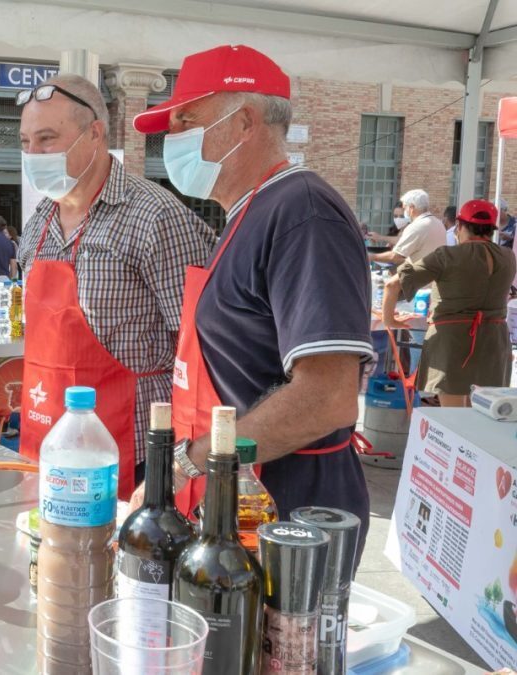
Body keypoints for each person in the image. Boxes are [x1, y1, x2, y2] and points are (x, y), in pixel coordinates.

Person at [130, 45, 375, 560]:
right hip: (240, 503)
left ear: (244, 121)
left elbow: (328, 396)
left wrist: (192, 461)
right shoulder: (251, 211)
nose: (170, 140)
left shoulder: (303, 213)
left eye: (185, 121)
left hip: (290, 519)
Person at [16, 73, 215, 500]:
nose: (34, 154)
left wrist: (187, 458)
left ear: (94, 133)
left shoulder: (155, 217)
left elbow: (200, 348)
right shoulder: (37, 225)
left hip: (133, 446)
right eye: (25, 142)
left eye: (47, 139)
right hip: (47, 434)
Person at [383, 199, 515, 406]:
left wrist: (389, 320)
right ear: (491, 229)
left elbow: (392, 285)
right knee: (482, 417)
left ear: (460, 226)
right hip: (494, 342)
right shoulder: (508, 257)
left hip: (451, 342)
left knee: (453, 419)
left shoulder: (447, 256)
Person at [369, 189, 446, 265]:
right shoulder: (439, 223)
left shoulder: (416, 226)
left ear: (411, 208)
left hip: (420, 275)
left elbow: (395, 256)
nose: (405, 210)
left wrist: (370, 257)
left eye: (405, 207)